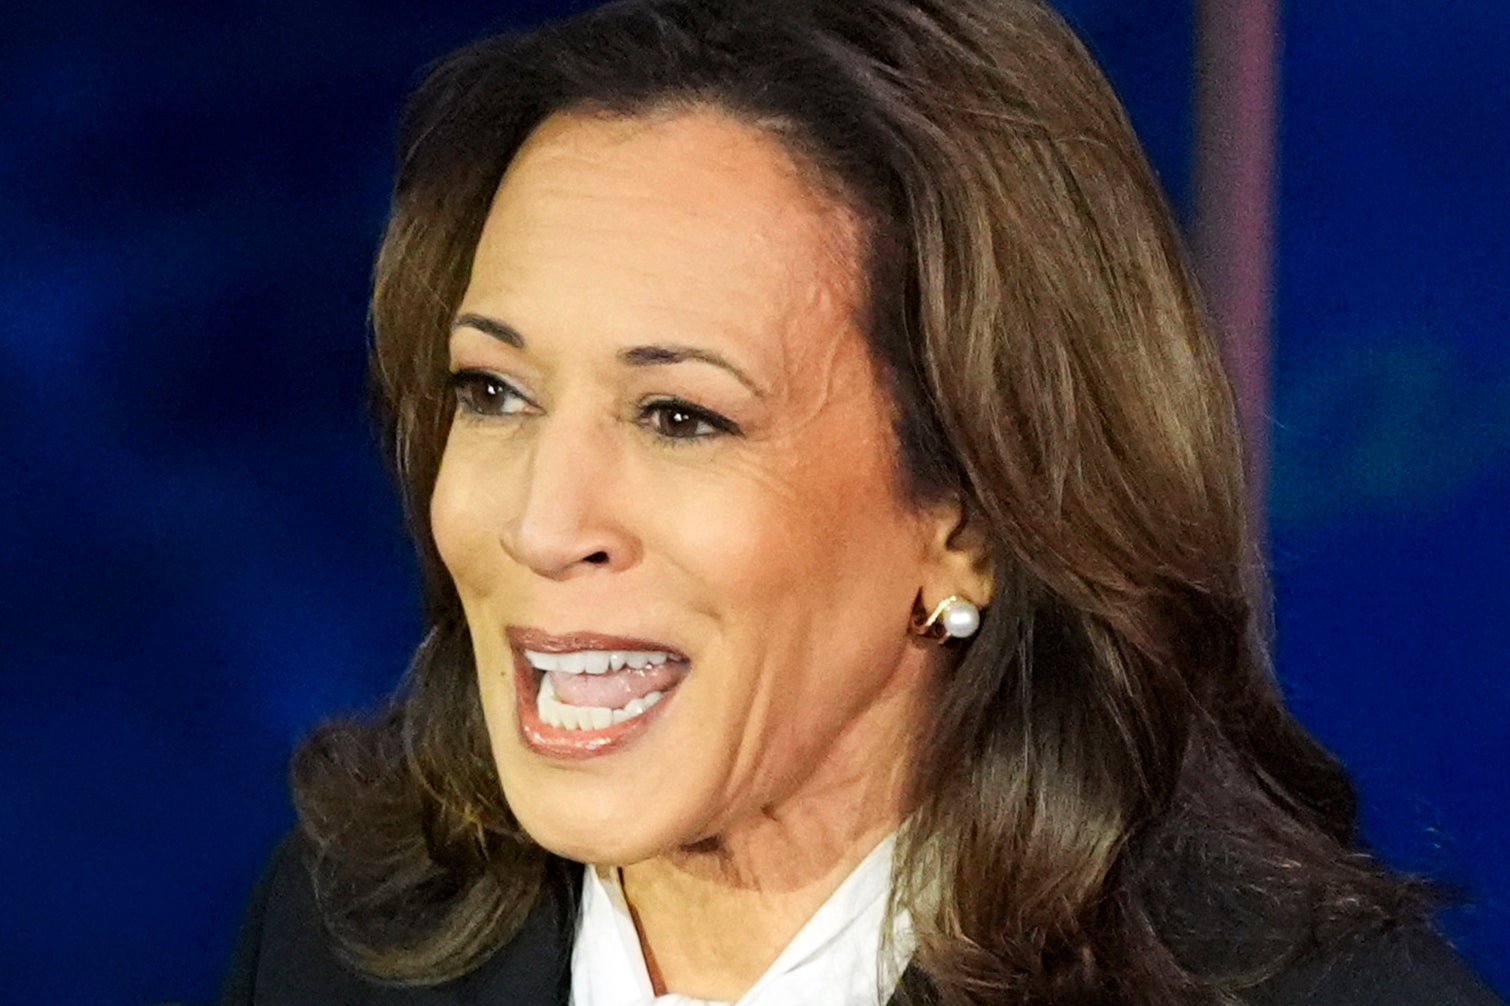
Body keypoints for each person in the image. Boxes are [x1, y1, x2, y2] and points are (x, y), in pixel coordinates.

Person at [219, 1, 1502, 1003]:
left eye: (681, 417)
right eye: (495, 393)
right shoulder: (343, 940)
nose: (543, 524)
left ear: (974, 517)